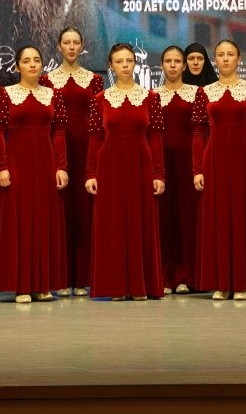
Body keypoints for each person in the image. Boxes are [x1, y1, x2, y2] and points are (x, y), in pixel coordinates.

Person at [85, 44, 166, 300]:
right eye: (119, 61)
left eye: (129, 61)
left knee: (141, 222)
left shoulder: (151, 98)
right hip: (109, 166)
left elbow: (155, 138)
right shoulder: (100, 99)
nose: (124, 65)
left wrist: (159, 174)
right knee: (113, 224)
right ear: (111, 65)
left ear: (135, 64)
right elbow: (95, 138)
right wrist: (90, 173)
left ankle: (141, 285)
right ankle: (116, 286)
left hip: (141, 164)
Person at [0, 45, 69, 303]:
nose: (32, 64)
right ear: (17, 66)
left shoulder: (53, 95)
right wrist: (1, 167)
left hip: (45, 164)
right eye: (26, 61)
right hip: (16, 164)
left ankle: (42, 284)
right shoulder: (5, 94)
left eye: (36, 60)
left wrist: (61, 167)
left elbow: (58, 133)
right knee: (20, 222)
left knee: (44, 221)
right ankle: (22, 286)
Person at [192, 40, 246, 301]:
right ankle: (221, 283)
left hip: (244, 161)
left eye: (230, 55)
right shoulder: (205, 93)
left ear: (238, 59)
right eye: (220, 55)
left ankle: (242, 283)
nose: (225, 59)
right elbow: (199, 134)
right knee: (217, 219)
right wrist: (197, 169)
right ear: (215, 60)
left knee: (243, 218)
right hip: (214, 161)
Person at [41, 27, 104, 297]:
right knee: (60, 212)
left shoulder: (94, 80)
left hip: (87, 147)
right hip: (58, 148)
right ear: (58, 46)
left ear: (82, 46)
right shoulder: (46, 80)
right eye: (66, 42)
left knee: (85, 212)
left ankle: (83, 278)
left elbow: (99, 119)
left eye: (75, 42)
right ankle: (62, 277)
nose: (71, 47)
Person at [154, 46, 200, 294]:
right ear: (161, 65)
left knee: (188, 217)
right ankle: (163, 276)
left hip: (188, 162)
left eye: (177, 61)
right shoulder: (152, 96)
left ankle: (187, 276)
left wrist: (199, 165)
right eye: (168, 61)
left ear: (184, 66)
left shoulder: (197, 94)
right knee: (163, 218)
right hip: (161, 162)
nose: (172, 65)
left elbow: (202, 132)